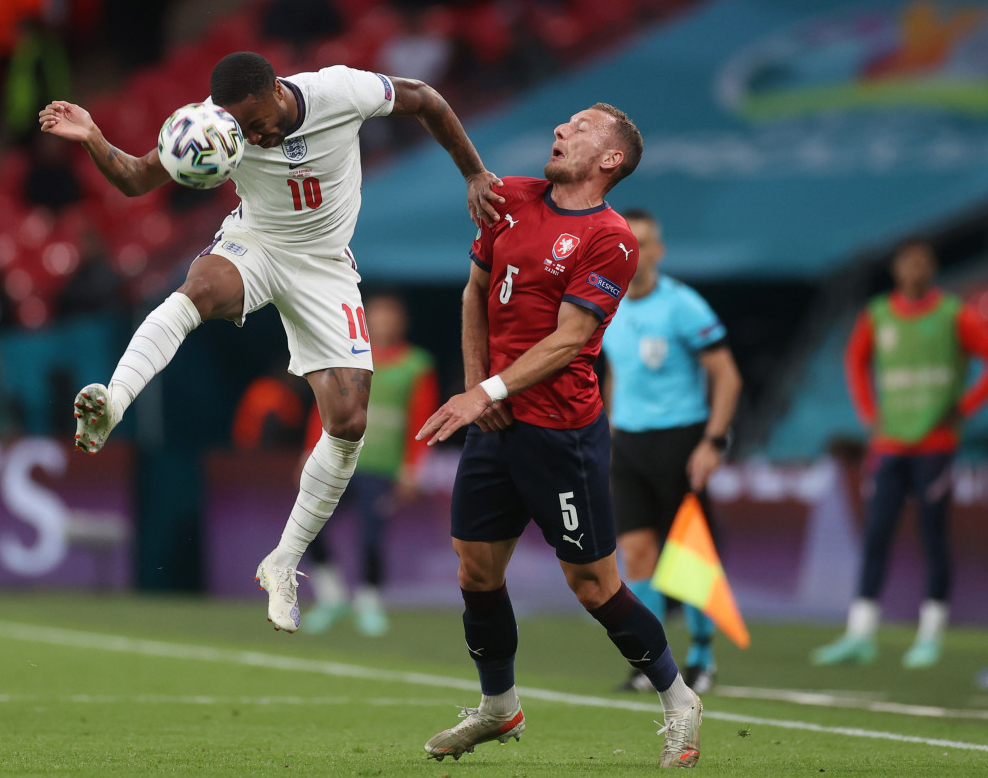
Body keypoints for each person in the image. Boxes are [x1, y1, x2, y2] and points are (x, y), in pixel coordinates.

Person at [38, 50, 504, 634]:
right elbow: (135, 179)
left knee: (349, 422)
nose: (250, 138)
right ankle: (113, 401)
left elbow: (426, 99)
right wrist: (93, 138)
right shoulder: (211, 124)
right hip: (257, 245)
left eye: (256, 124)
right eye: (242, 130)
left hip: (325, 266)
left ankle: (283, 561)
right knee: (198, 288)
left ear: (277, 91)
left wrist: (474, 173)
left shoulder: (341, 92)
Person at [416, 105, 702, 768]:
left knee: (594, 586)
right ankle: (499, 706)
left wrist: (485, 392)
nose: (559, 131)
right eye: (563, 124)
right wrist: (478, 385)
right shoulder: (509, 199)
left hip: (560, 432)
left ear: (610, 160)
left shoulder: (612, 239)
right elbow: (475, 293)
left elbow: (570, 340)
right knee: (474, 566)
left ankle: (680, 699)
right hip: (496, 420)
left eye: (580, 128)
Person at [813, 239, 988, 669]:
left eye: (922, 262)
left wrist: (965, 406)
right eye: (908, 262)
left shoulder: (954, 314)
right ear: (897, 269)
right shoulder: (878, 314)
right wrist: (869, 414)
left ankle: (930, 636)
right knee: (876, 536)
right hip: (889, 445)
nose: (914, 269)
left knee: (934, 537)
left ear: (933, 268)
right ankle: (860, 634)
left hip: (935, 445)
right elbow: (855, 361)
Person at [599, 209, 742, 695]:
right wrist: (610, 432)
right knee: (637, 553)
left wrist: (713, 442)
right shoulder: (607, 305)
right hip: (629, 445)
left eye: (644, 243)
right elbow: (615, 374)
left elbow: (727, 376)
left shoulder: (683, 305)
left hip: (680, 442)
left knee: (688, 557)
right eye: (627, 243)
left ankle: (702, 659)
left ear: (658, 251)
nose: (635, 253)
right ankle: (652, 662)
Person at [302, 292, 440, 636]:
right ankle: (331, 597)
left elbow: (422, 418)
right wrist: (309, 452)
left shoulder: (416, 365)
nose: (383, 323)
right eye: (377, 316)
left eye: (389, 316)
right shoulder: (344, 356)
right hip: (337, 462)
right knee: (308, 526)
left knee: (370, 538)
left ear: (401, 322)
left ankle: (369, 603)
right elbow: (325, 407)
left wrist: (413, 469)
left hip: (381, 467)